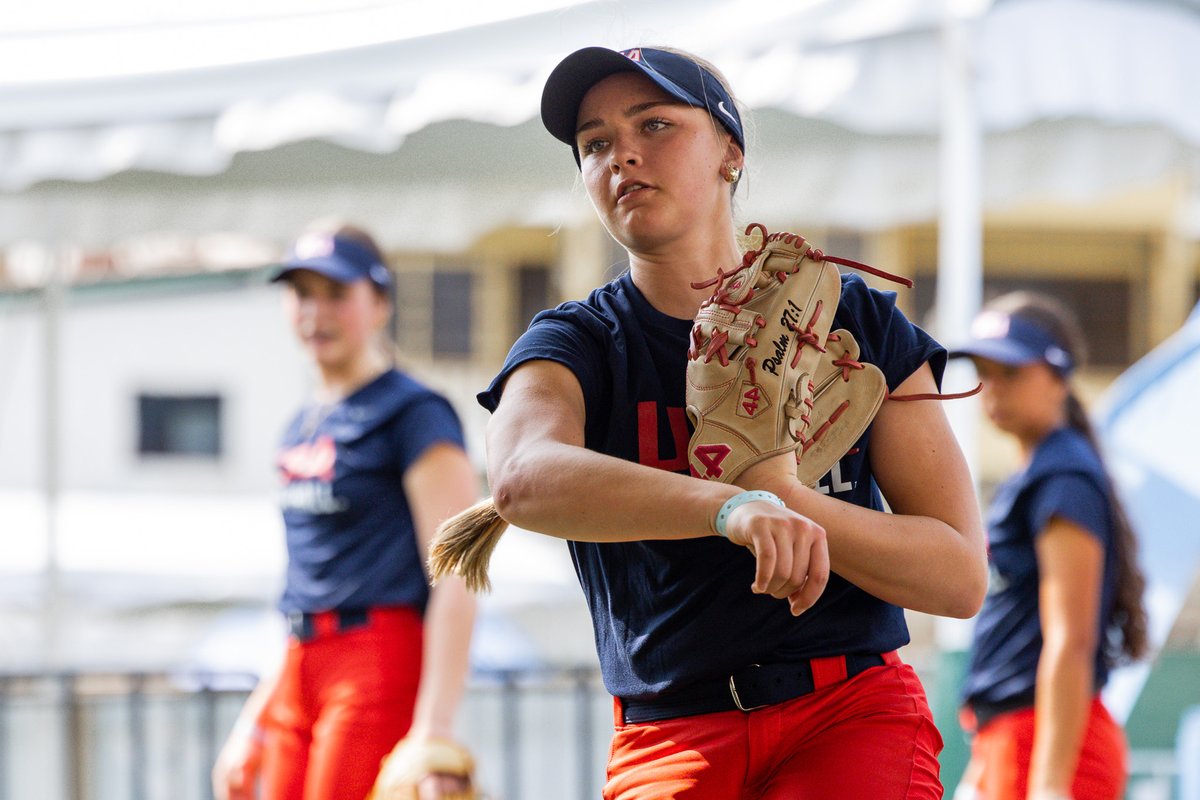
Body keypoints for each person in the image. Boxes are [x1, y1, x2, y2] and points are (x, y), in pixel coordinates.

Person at [478, 45, 988, 799]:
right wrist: (730, 505)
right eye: (594, 143)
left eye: (654, 125)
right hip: (671, 732)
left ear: (730, 152)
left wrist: (783, 497)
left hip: (847, 712)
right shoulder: (576, 342)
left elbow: (958, 576)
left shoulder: (852, 320)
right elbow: (519, 480)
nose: (621, 155)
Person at [212, 221, 479, 800]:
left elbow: (460, 573)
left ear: (379, 302)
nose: (316, 311)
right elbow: (306, 589)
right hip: (299, 662)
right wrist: (253, 720)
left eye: (337, 293)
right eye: (302, 293)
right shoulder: (301, 423)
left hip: (376, 658)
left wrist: (434, 728)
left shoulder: (414, 413)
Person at [951, 292, 1149, 800]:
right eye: (984, 371)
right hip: (1012, 738)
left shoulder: (1063, 475)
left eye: (1011, 372)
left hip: (1051, 745)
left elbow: (1071, 640)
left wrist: (1051, 784)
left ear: (1058, 375)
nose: (993, 388)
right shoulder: (1042, 470)